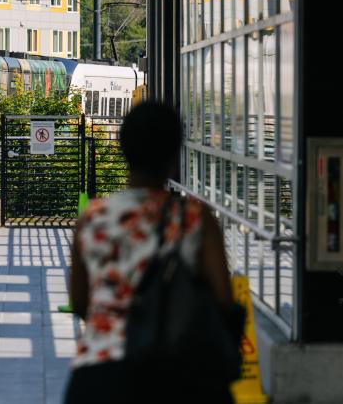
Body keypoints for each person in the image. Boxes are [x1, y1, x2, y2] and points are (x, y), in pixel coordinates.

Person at [66, 102, 237, 403]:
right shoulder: (194, 218)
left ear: (124, 150)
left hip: (101, 372)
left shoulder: (93, 217)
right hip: (179, 372)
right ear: (174, 153)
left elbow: (80, 301)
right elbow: (223, 298)